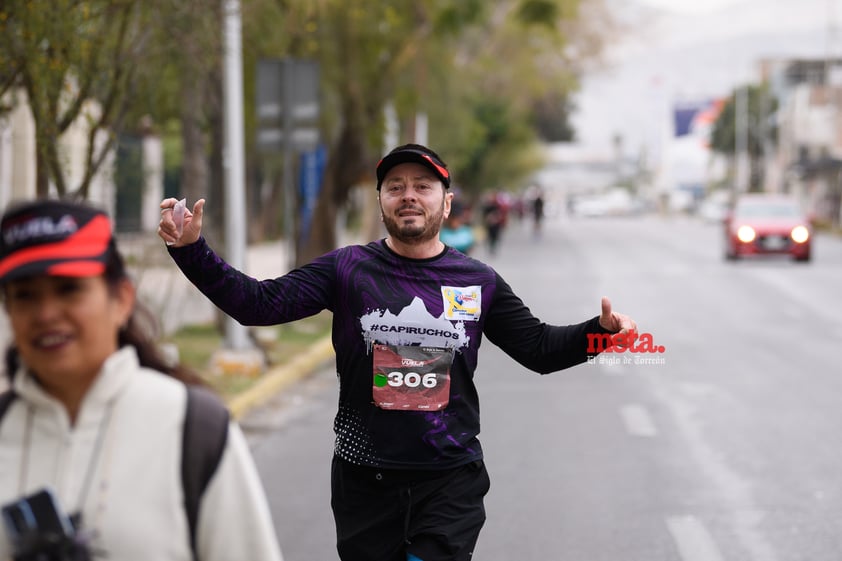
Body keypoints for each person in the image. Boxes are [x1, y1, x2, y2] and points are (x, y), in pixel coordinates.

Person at [157, 143, 636, 561]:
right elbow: (257, 304)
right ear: (382, 202)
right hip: (364, 480)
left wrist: (601, 333)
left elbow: (540, 348)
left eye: (423, 186)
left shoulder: (477, 281)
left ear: (446, 203)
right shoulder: (347, 269)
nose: (409, 195)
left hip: (450, 479)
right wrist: (193, 250)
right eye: (395, 186)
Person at [0, 199, 284, 561]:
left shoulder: (193, 428)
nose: (46, 313)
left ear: (121, 299)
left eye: (68, 289)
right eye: (24, 296)